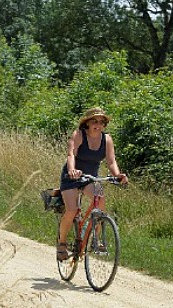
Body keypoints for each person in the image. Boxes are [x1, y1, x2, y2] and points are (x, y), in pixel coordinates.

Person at [56, 107, 128, 261]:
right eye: (94, 121)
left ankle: (95, 240)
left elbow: (111, 161)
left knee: (100, 202)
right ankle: (61, 243)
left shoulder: (106, 139)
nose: (98, 124)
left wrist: (117, 175)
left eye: (102, 122)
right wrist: (72, 170)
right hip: (72, 176)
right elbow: (71, 154)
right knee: (71, 210)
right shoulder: (79, 135)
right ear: (87, 123)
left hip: (90, 178)